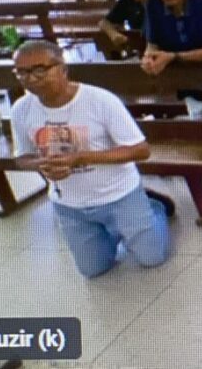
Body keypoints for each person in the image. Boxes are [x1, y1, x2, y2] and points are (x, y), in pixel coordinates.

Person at [10, 40, 171, 278]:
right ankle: (115, 230)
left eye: (39, 69)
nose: (31, 78)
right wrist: (41, 165)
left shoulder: (100, 100)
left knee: (152, 259)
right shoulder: (21, 109)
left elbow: (140, 150)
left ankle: (152, 209)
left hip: (119, 195)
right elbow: (22, 158)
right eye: (21, 72)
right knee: (94, 270)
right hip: (69, 205)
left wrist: (81, 158)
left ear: (63, 68)